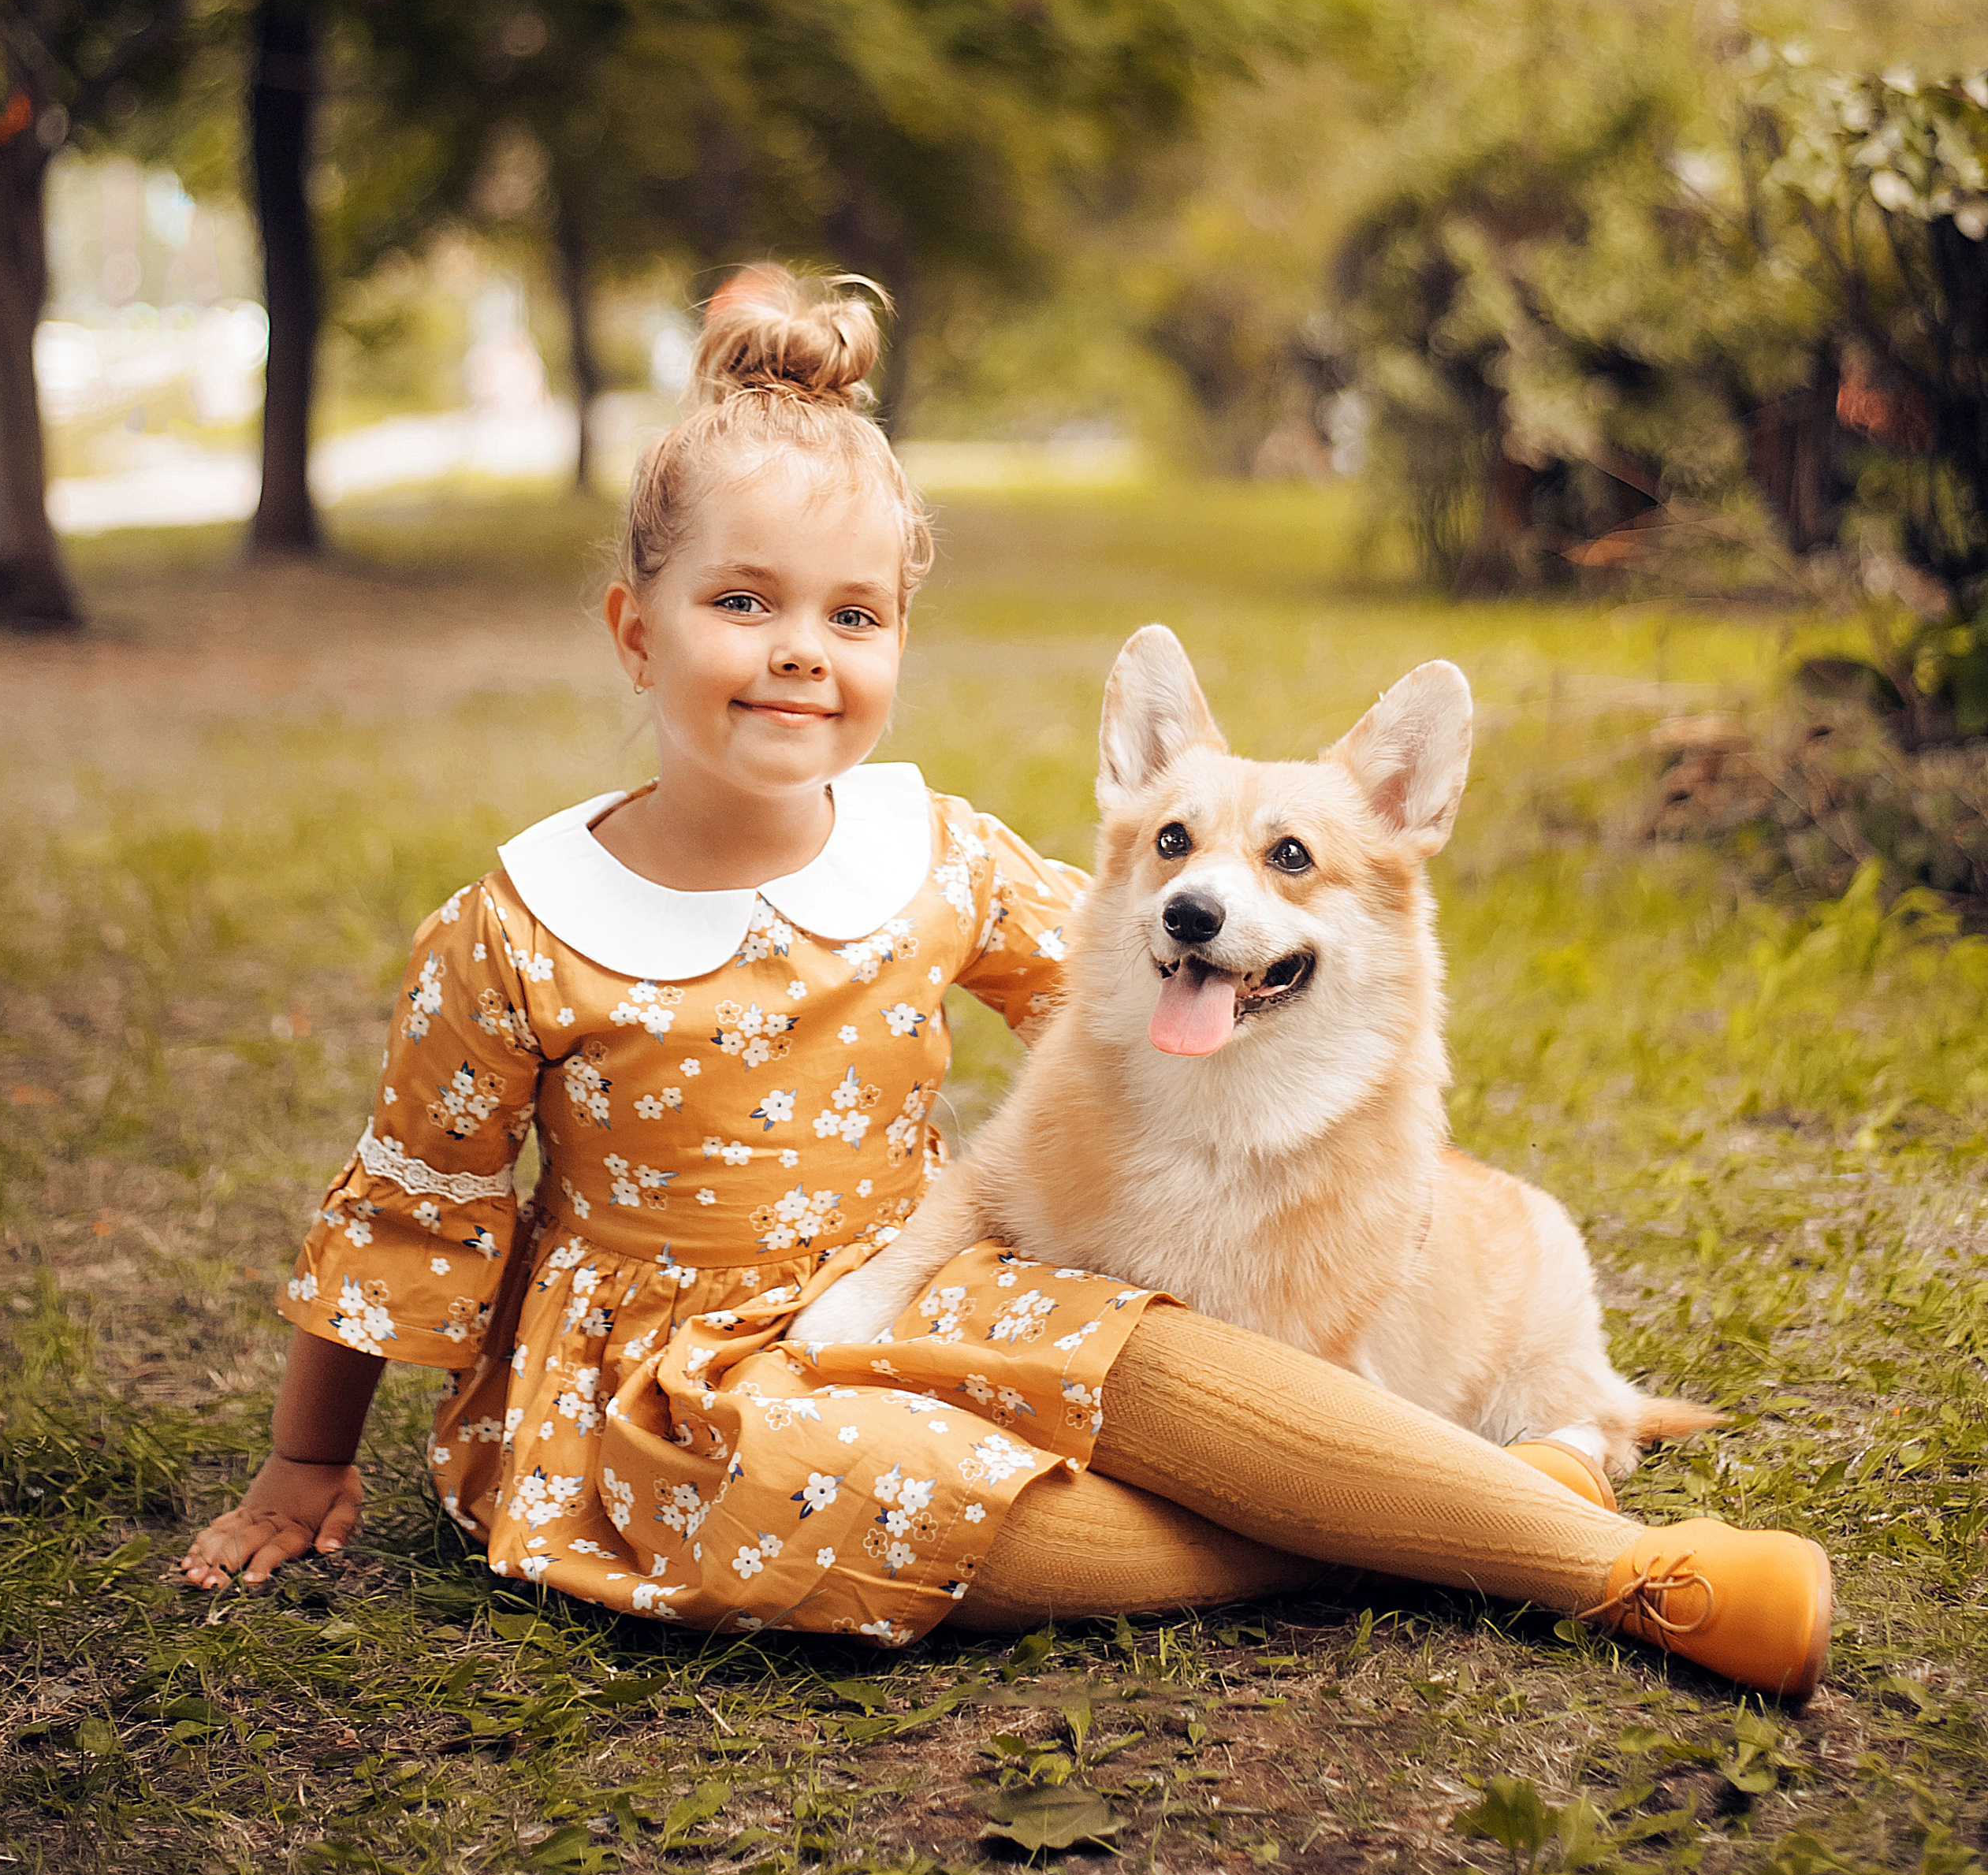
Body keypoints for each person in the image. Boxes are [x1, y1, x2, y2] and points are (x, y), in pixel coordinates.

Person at [183, 270, 1831, 1697]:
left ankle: (1645, 1568)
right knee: (916, 1502)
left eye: (851, 612)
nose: (798, 649)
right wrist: (305, 1459)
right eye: (740, 601)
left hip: (947, 1280)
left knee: (1198, 1377)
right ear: (635, 626)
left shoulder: (937, 854)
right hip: (688, 1383)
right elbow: (409, 1216)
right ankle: (1516, 1551)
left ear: (897, 637)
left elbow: (1159, 977)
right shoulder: (520, 920)